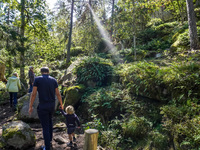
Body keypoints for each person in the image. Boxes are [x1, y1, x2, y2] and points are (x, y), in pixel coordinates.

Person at [28, 67, 64, 150]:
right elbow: (58, 94)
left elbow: (33, 94)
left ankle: (47, 147)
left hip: (43, 106)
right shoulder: (53, 80)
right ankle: (50, 142)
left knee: (45, 126)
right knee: (50, 122)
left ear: (41, 72)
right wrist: (61, 104)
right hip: (52, 105)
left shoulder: (37, 80)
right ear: (48, 72)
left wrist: (30, 106)